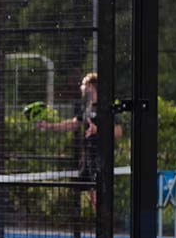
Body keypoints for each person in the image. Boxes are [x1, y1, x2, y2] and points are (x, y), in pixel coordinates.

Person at [36, 71, 122, 208]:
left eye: (84, 85)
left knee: (99, 192)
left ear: (91, 86)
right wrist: (48, 126)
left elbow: (118, 132)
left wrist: (97, 130)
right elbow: (72, 124)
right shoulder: (87, 107)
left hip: (101, 155)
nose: (82, 88)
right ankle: (101, 222)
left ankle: (105, 223)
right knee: (90, 190)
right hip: (88, 154)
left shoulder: (106, 106)